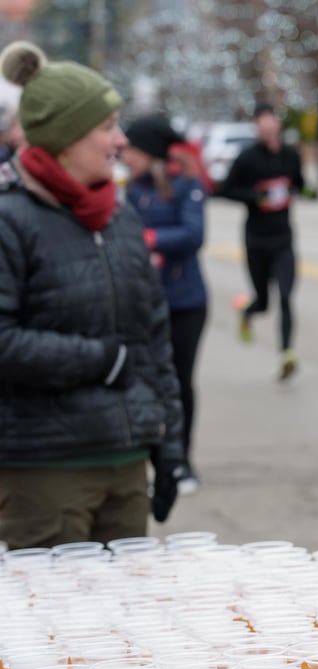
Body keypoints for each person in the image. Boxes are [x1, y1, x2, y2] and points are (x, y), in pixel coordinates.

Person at [0, 41, 183, 549]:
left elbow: (154, 338)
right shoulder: (10, 221)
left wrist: (169, 445)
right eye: (105, 128)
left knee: (130, 623)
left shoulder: (120, 217)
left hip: (125, 468)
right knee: (57, 628)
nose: (120, 140)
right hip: (47, 472)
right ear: (63, 139)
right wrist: (98, 360)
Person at [123, 113, 208, 495]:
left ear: (150, 152)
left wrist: (148, 237)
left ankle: (182, 461)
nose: (125, 156)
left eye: (133, 149)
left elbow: (193, 235)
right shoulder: (130, 190)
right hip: (143, 301)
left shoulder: (185, 184)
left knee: (179, 381)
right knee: (148, 381)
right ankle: (153, 458)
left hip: (185, 301)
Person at [219, 101, 304, 381]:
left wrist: (306, 191)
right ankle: (247, 311)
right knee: (264, 303)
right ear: (257, 126)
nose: (268, 127)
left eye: (272, 120)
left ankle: (286, 353)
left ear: (278, 124)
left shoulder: (291, 155)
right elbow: (225, 189)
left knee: (286, 296)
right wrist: (255, 197)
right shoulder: (247, 158)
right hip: (256, 240)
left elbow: (299, 183)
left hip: (283, 239)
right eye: (262, 122)